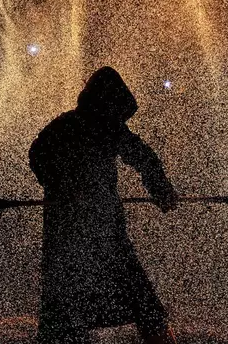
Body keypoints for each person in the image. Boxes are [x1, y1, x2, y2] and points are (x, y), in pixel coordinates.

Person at [29, 67, 179, 343]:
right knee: (144, 306)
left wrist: (58, 188)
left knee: (65, 313)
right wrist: (162, 191)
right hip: (101, 235)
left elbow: (37, 155)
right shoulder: (104, 125)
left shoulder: (65, 124)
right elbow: (144, 158)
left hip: (68, 231)